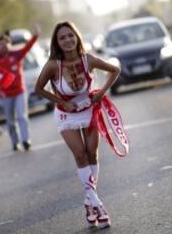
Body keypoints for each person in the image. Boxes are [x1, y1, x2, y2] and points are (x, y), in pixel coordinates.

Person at [35, 21, 120, 229]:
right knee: (81, 154)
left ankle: (89, 201)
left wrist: (101, 93)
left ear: (77, 37)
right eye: (62, 37)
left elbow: (114, 70)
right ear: (57, 42)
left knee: (93, 153)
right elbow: (39, 88)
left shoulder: (88, 59)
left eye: (70, 36)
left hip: (90, 110)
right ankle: (98, 205)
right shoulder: (53, 65)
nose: (67, 40)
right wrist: (62, 101)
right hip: (67, 116)